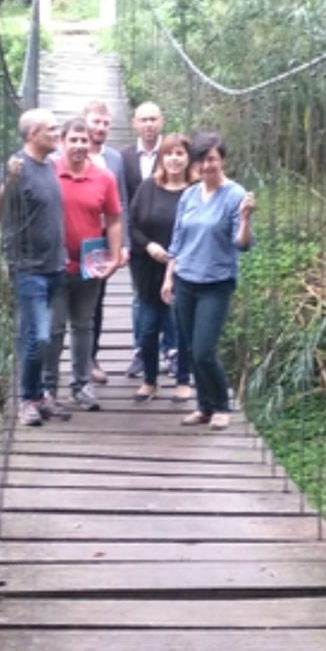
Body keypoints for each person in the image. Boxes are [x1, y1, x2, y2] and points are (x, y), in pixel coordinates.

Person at [160, 132, 255, 431]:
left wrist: (245, 219)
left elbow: (242, 245)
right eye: (201, 160)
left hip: (216, 282)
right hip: (185, 279)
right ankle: (203, 406)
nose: (206, 166)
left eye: (211, 159)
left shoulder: (235, 195)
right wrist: (168, 277)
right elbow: (177, 239)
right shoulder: (189, 194)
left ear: (222, 160)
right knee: (190, 348)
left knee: (204, 349)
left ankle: (221, 406)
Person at [0, 108, 72, 427]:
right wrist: (9, 181)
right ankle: (27, 399)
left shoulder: (49, 165)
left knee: (35, 334)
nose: (57, 132)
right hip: (28, 267)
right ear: (32, 135)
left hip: (54, 265)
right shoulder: (16, 168)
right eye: (51, 129)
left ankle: (38, 396)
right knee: (40, 335)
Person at [43, 117, 122, 412]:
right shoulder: (47, 173)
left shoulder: (104, 178)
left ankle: (80, 385)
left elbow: (114, 219)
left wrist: (114, 257)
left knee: (83, 326)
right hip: (54, 265)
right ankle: (48, 389)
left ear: (92, 144)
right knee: (54, 328)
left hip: (90, 267)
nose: (79, 146)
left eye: (84, 140)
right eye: (73, 140)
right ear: (61, 142)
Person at [128, 132, 193, 403]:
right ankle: (150, 381)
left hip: (185, 269)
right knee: (149, 327)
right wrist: (149, 246)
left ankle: (182, 381)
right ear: (161, 158)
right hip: (148, 267)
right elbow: (132, 225)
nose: (174, 159)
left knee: (182, 325)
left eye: (179, 154)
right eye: (169, 154)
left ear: (188, 158)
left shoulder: (195, 191)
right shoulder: (147, 188)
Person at [118, 102, 175, 379]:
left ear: (162, 121)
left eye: (153, 119)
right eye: (144, 120)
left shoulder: (174, 153)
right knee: (141, 296)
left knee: (172, 294)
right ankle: (141, 352)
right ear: (134, 124)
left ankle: (172, 351)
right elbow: (121, 201)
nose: (149, 124)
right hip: (139, 240)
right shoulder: (124, 157)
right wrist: (126, 241)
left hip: (171, 239)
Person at [81, 100, 129, 385]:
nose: (100, 127)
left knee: (97, 301)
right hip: (72, 236)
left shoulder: (114, 159)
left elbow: (121, 202)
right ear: (84, 121)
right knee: (63, 301)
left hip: (100, 240)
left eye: (105, 123)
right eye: (95, 121)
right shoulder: (67, 153)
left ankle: (90, 358)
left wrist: (121, 245)